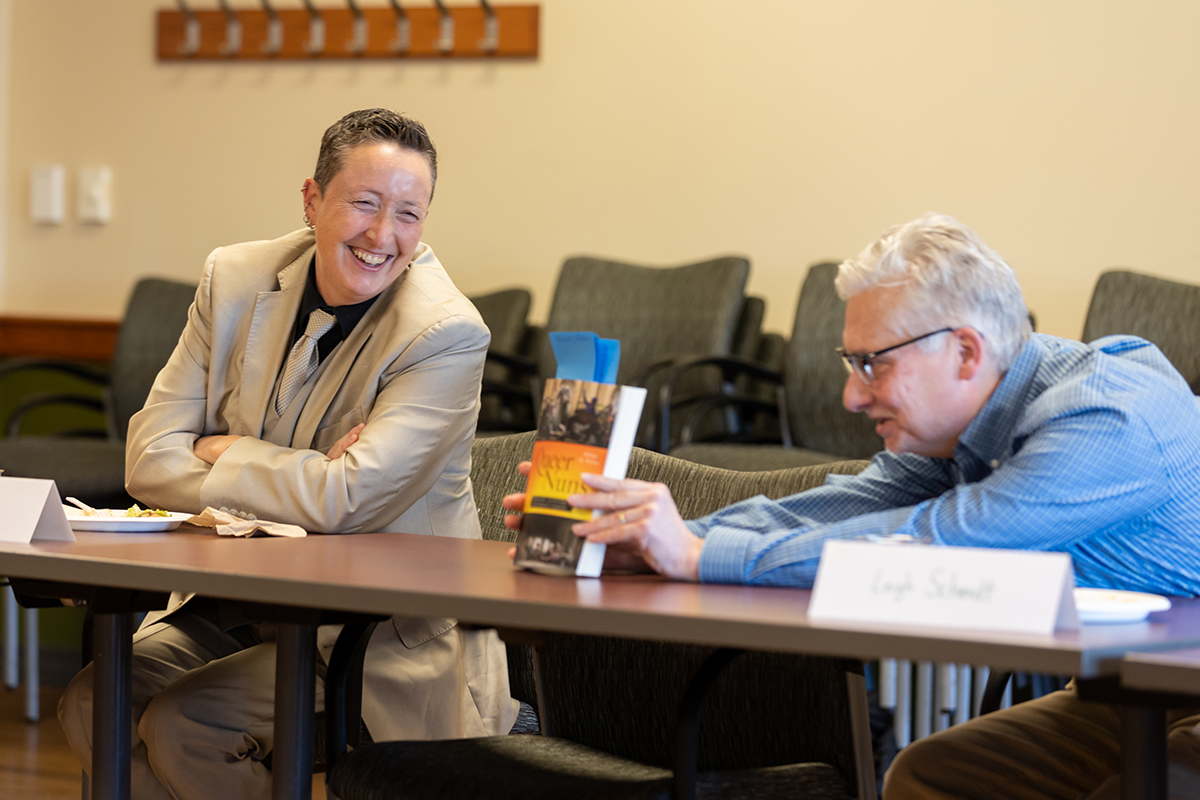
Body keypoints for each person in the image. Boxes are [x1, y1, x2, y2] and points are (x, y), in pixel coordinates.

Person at [504, 212, 1200, 797]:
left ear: (964, 350)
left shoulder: (1105, 418)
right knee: (930, 776)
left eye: (875, 362)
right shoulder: (981, 412)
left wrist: (696, 555)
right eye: (850, 362)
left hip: (1177, 702)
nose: (852, 395)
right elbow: (841, 505)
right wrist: (658, 537)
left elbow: (950, 544)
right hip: (1136, 696)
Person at [58, 108, 517, 800]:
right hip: (236, 604)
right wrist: (309, 475)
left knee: (190, 724)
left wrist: (229, 450)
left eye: (408, 214)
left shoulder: (446, 333)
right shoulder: (235, 279)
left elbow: (348, 499)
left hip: (374, 638)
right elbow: (149, 459)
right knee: (96, 701)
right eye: (364, 203)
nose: (381, 235)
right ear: (312, 199)